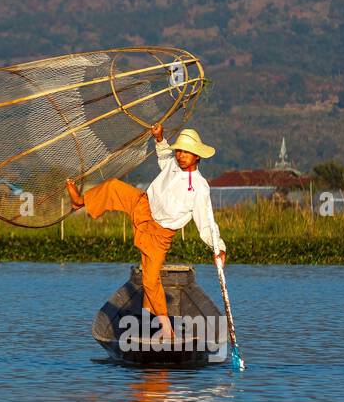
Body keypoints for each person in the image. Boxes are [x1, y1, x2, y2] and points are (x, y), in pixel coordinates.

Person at [66, 124, 226, 342]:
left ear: (197, 156)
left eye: (186, 152)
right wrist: (159, 138)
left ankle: (165, 329)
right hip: (144, 205)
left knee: (150, 279)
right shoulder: (173, 164)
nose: (181, 156)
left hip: (160, 233)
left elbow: (206, 222)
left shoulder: (199, 187)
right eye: (179, 151)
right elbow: (163, 157)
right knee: (113, 187)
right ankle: (80, 201)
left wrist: (218, 248)